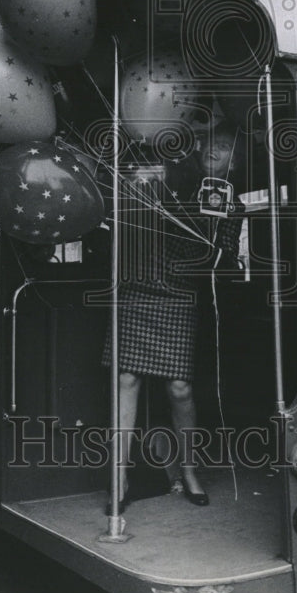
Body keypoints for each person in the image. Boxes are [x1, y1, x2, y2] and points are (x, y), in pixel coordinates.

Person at [103, 120, 244, 510]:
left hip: (180, 294)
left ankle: (189, 469)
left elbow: (223, 260)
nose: (214, 149)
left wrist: (206, 238)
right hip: (139, 283)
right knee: (126, 378)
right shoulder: (175, 176)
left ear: (235, 162)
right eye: (211, 142)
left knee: (179, 389)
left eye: (226, 146)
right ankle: (119, 477)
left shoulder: (231, 204)